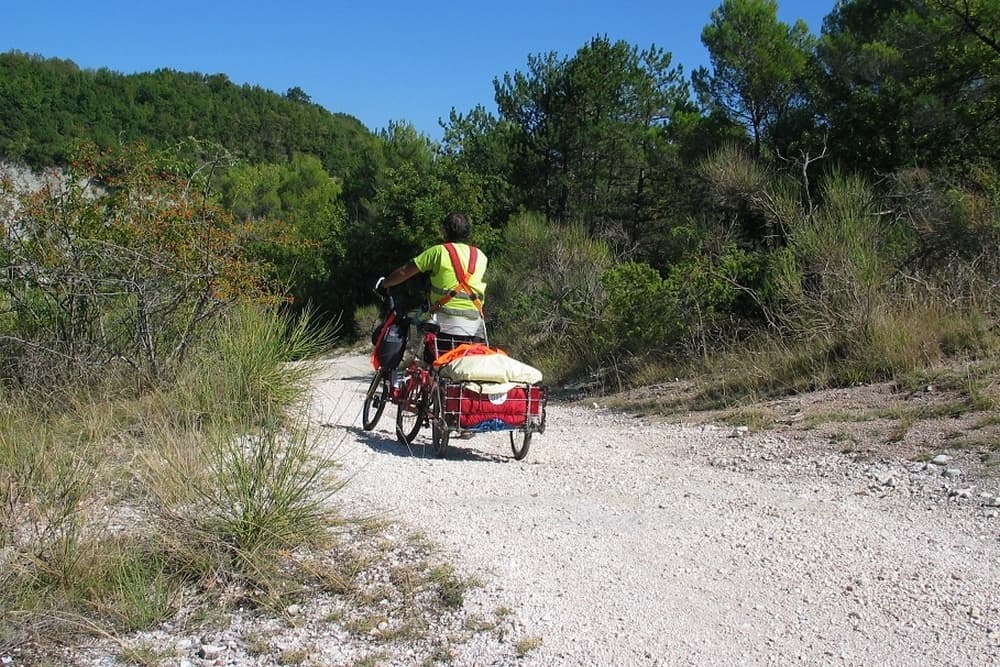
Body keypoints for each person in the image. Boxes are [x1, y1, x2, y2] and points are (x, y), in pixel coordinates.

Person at [376, 212, 487, 361]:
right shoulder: (481, 256)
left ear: (444, 231)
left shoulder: (438, 252)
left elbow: (404, 272)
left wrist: (384, 284)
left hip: (444, 325)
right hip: (475, 327)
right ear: (467, 232)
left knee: (433, 366)